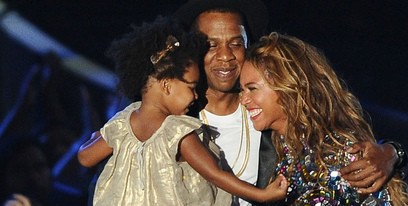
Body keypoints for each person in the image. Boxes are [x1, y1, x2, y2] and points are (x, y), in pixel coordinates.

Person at [84, 0, 408, 205]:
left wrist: (393, 154)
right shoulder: (167, 117)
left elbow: (334, 150)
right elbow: (113, 180)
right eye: (210, 44)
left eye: (235, 43)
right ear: (191, 52)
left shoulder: (270, 117)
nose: (224, 56)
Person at [77, 16, 287, 205]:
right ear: (167, 85)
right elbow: (214, 174)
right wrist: (262, 195)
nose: (195, 95)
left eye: (236, 43)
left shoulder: (123, 123)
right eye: (191, 87)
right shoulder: (177, 130)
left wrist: (102, 135)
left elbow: (85, 157)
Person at [239, 32, 408, 205]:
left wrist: (394, 153)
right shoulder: (281, 145)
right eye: (242, 90)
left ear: (288, 86)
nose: (243, 99)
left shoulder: (337, 155)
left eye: (252, 88)